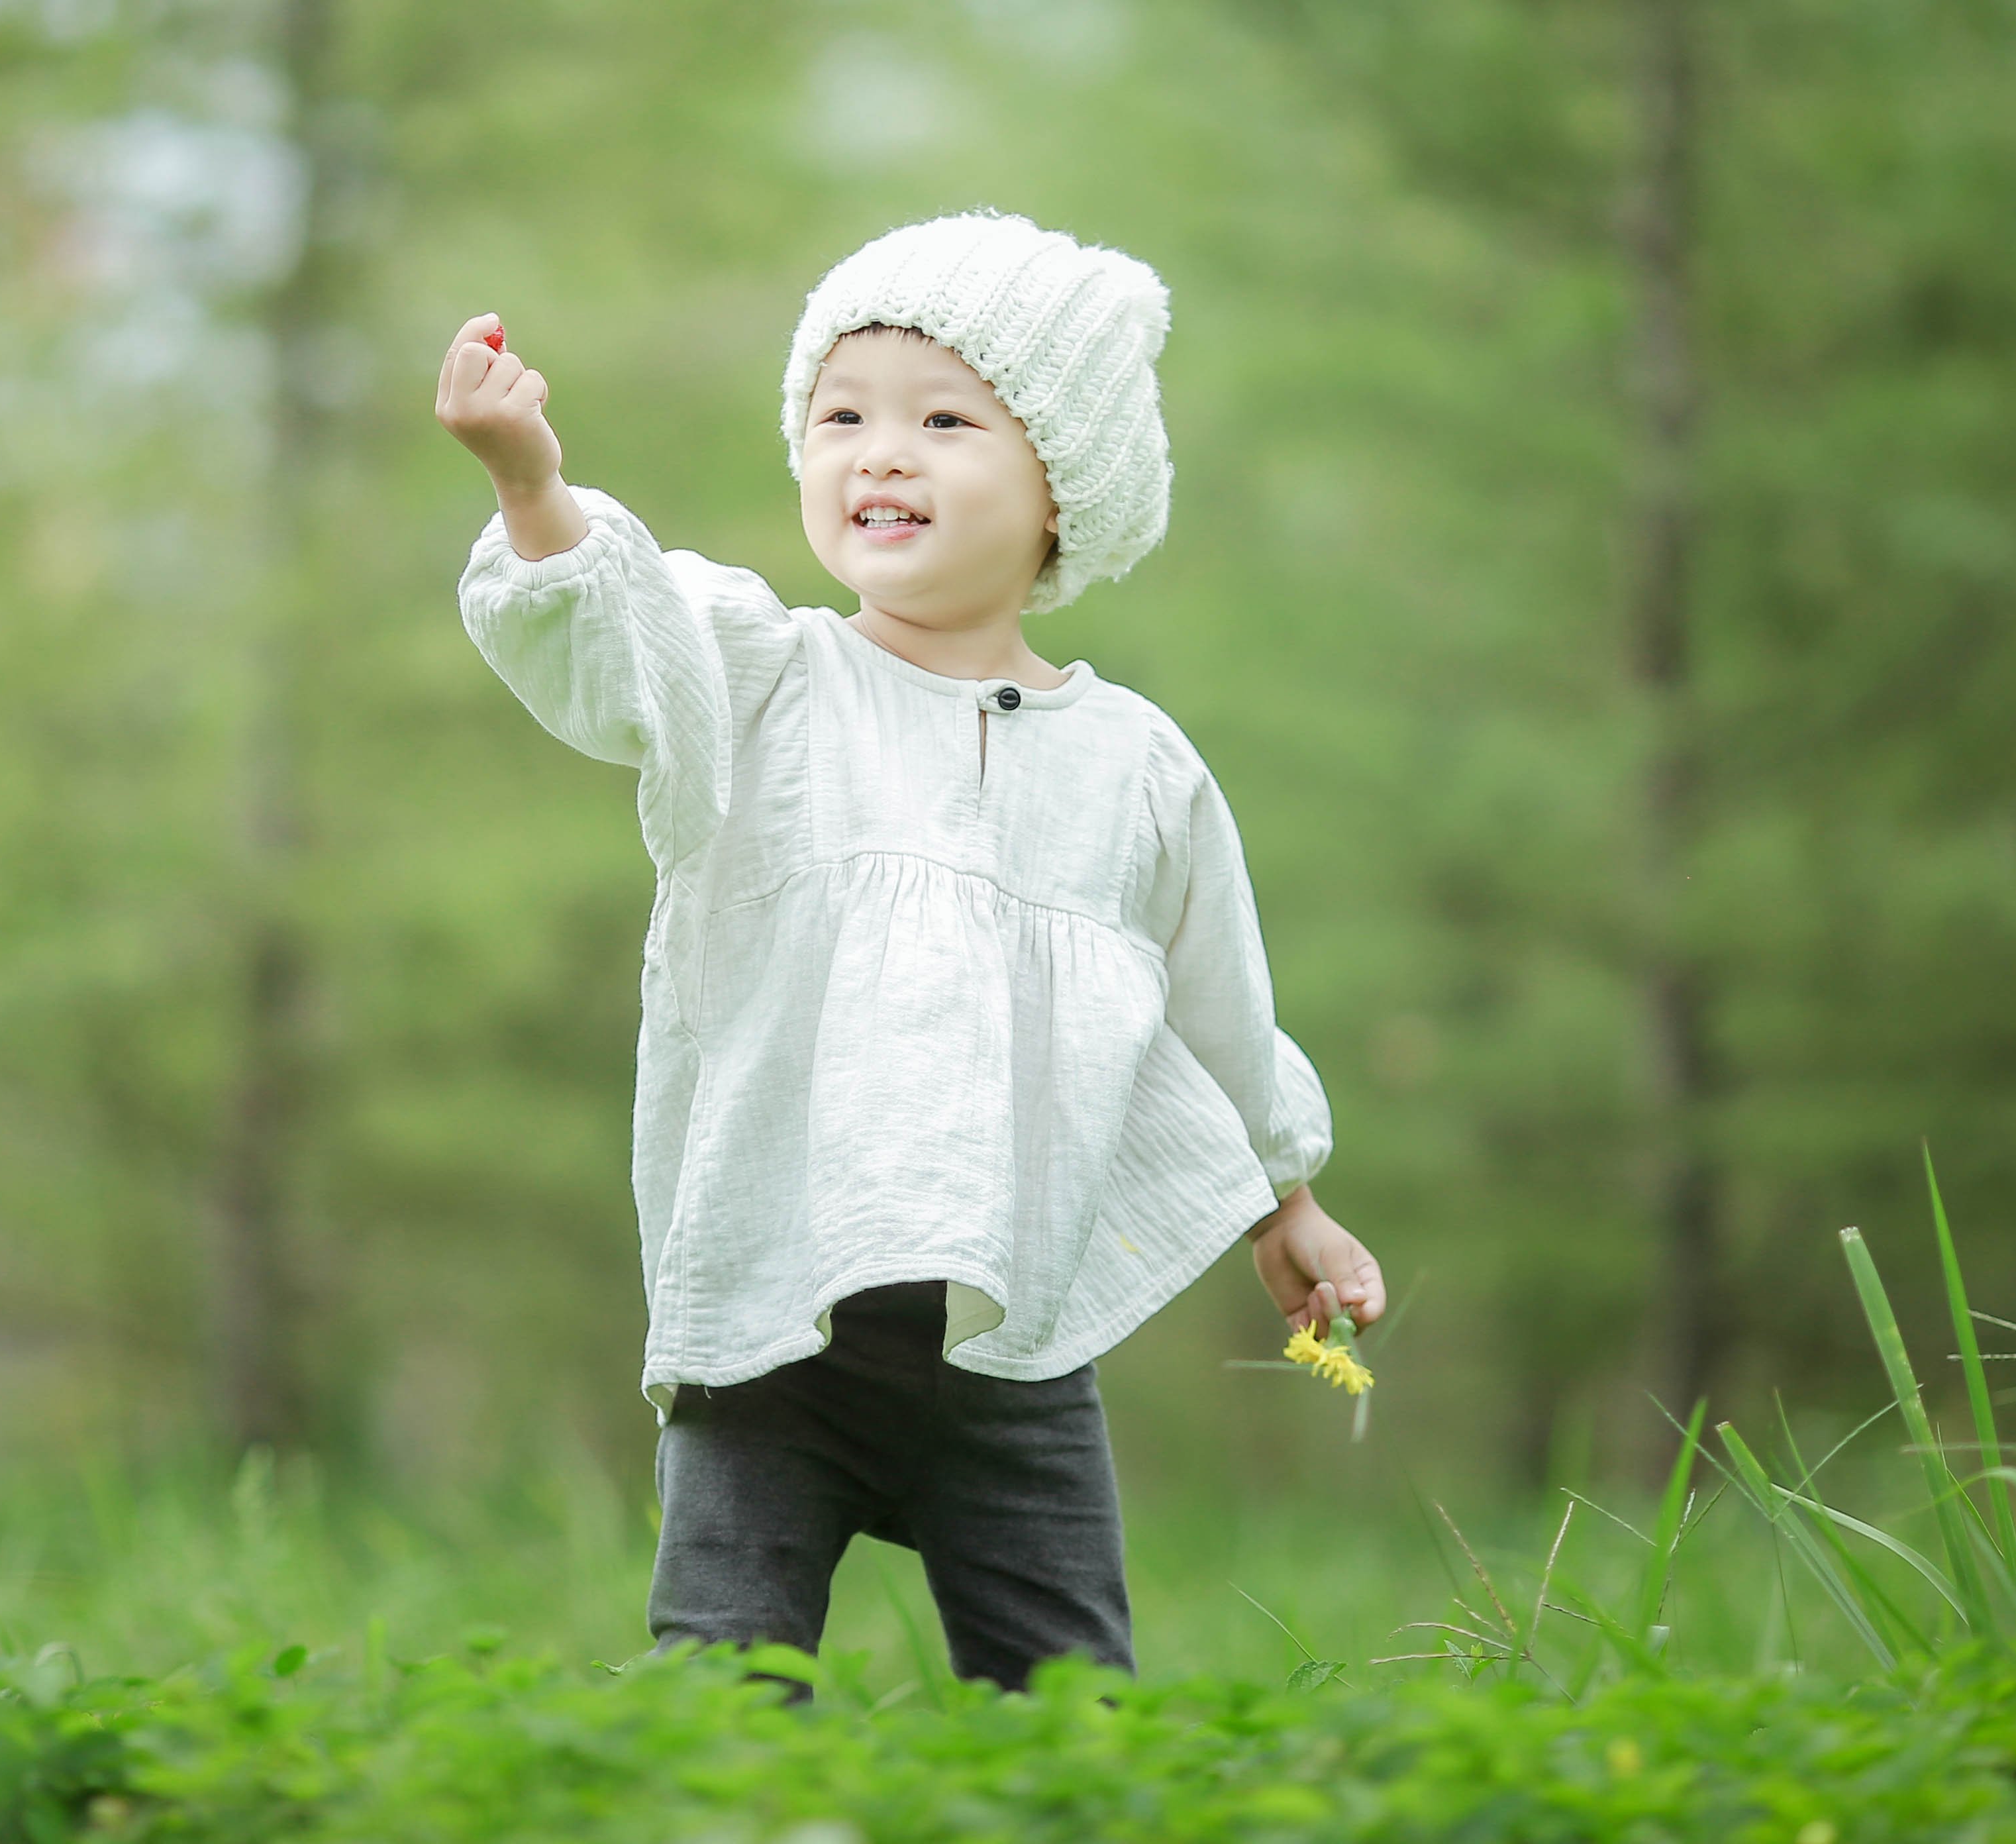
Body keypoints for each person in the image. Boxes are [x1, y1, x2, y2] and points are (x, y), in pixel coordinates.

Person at [437, 211, 1386, 1690]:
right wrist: (530, 481)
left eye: (944, 419)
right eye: (841, 415)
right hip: (770, 1312)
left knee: (1067, 1688)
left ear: (1062, 491)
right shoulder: (764, 679)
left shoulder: (1134, 767)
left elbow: (1218, 1000)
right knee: (721, 1682)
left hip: (1013, 1339)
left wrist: (1289, 1198)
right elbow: (613, 635)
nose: (879, 451)